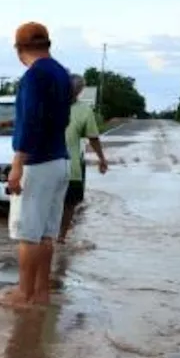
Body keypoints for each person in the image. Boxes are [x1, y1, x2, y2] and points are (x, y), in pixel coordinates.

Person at [0, 22, 72, 309]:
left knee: (27, 234)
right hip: (59, 160)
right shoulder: (60, 73)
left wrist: (17, 165)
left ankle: (23, 294)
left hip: (37, 163)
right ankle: (40, 292)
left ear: (19, 49)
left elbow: (31, 122)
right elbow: (49, 117)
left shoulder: (33, 76)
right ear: (47, 45)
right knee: (46, 234)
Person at [59, 74, 108, 244]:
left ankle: (60, 238)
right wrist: (102, 159)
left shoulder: (84, 110)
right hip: (54, 166)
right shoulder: (49, 104)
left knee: (68, 204)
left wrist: (102, 158)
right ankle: (56, 238)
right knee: (61, 205)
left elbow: (93, 137)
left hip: (69, 168)